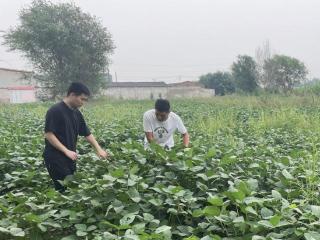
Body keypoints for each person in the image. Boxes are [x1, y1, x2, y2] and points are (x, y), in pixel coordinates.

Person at [43, 82, 108, 192]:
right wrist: (66, 151)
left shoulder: (76, 113)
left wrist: (99, 149)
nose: (83, 103)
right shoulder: (55, 110)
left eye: (85, 100)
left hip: (70, 157)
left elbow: (87, 133)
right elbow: (49, 134)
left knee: (71, 188)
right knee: (65, 189)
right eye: (82, 99)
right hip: (55, 157)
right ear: (72, 94)